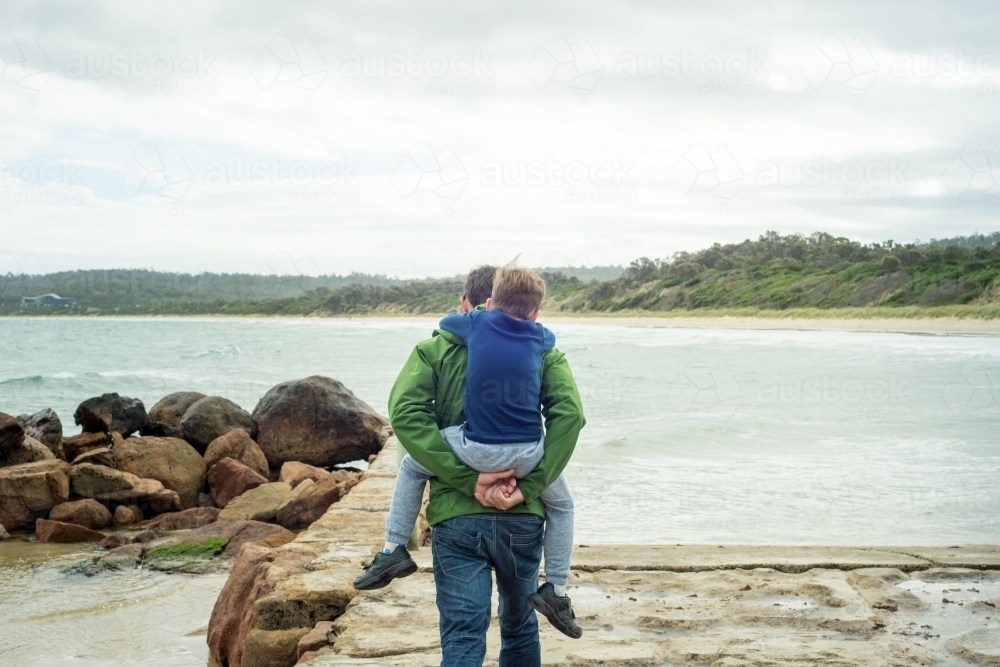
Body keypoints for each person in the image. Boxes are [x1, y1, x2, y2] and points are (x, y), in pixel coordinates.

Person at [357, 264, 586, 667]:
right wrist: (528, 486)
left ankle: (393, 549)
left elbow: (406, 413)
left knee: (464, 631)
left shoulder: (435, 349)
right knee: (519, 627)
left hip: (456, 518)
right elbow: (569, 416)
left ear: (471, 305)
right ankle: (558, 589)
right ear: (531, 311)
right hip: (523, 514)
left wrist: (467, 478)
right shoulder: (544, 349)